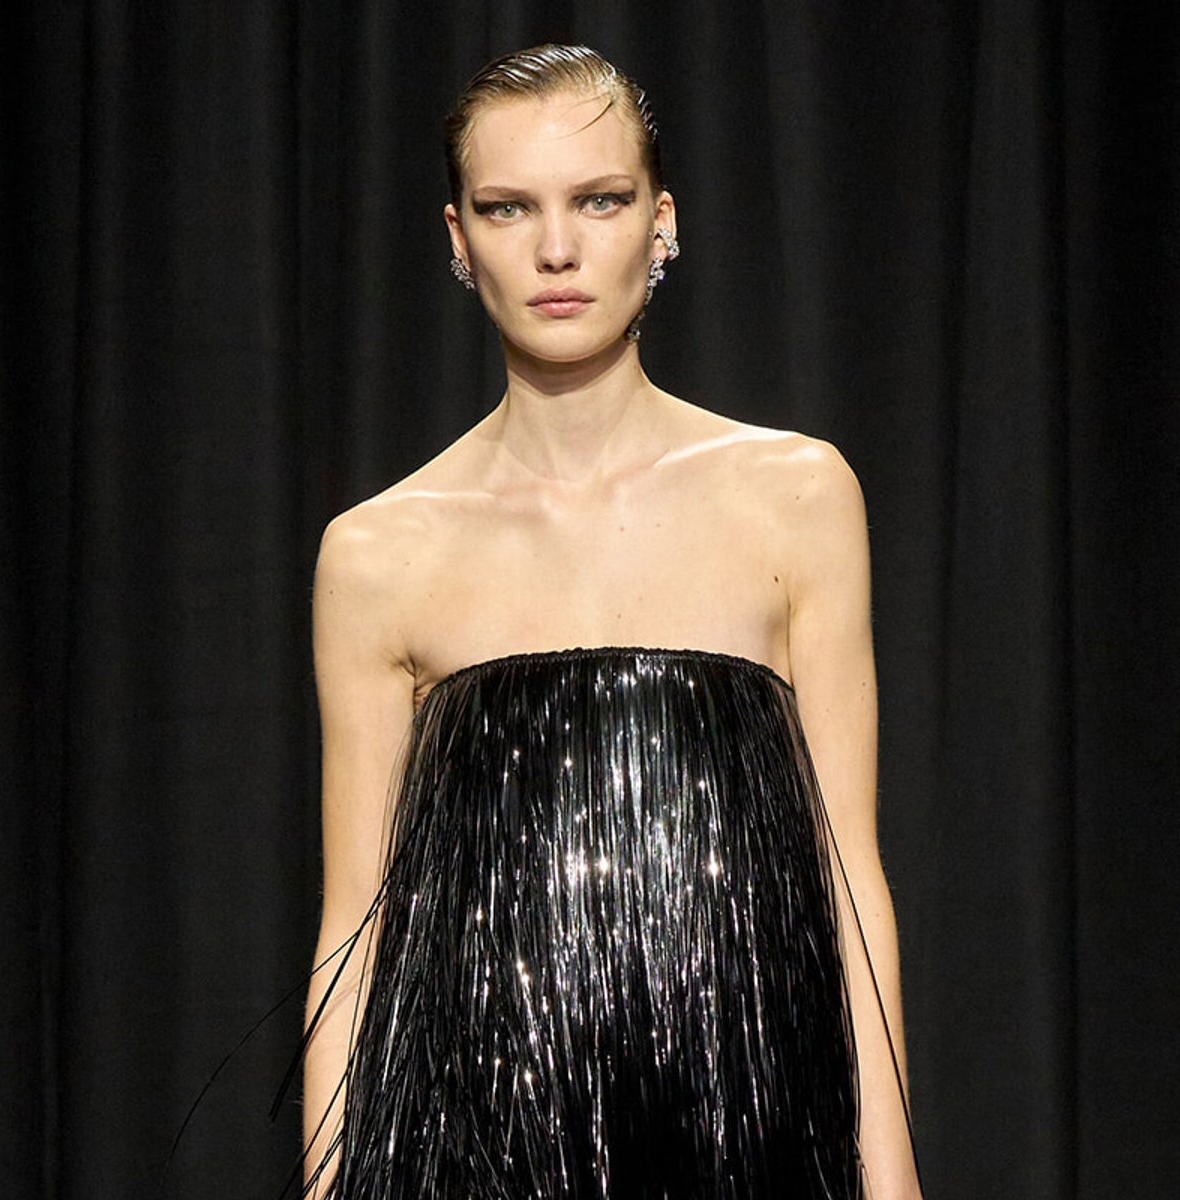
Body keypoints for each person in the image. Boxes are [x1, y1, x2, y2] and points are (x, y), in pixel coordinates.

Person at [301, 43, 923, 1200]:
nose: (555, 249)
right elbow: (355, 932)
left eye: (599, 199)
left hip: (749, 1130)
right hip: (474, 1143)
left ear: (662, 223)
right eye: (507, 207)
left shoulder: (795, 499)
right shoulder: (379, 554)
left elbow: (846, 873)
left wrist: (888, 1177)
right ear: (456, 240)